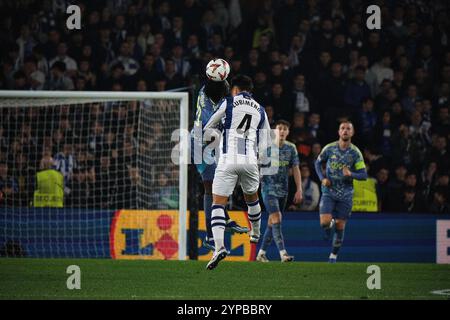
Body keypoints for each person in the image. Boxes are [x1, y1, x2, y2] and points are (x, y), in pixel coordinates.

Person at [203, 75, 272, 270]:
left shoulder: (228, 102)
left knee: (218, 202)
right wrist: (256, 157)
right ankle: (255, 234)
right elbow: (267, 141)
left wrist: (218, 136)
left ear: (235, 89)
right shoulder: (260, 109)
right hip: (250, 160)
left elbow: (208, 128)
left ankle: (219, 247)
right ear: (250, 90)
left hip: (228, 160)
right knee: (252, 198)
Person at [191, 63, 249, 253]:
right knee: (212, 189)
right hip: (201, 141)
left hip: (207, 142)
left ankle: (222, 219)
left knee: (216, 188)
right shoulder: (208, 97)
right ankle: (211, 233)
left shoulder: (214, 90)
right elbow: (210, 127)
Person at [314, 121, 368, 263]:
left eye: (348, 128)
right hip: (329, 191)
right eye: (343, 128)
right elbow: (317, 163)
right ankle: (327, 226)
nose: (345, 131)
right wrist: (322, 178)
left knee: (340, 226)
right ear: (339, 132)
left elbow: (363, 175)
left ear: (352, 132)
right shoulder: (330, 148)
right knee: (324, 222)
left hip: (346, 194)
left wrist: (351, 174)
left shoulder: (355, 153)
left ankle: (333, 256)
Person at [256, 120, 303, 263]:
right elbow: (256, 166)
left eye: (285, 129)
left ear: (288, 132)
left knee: (273, 221)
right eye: (279, 128)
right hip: (268, 189)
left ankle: (261, 253)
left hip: (284, 191)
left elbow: (295, 169)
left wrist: (299, 189)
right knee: (276, 217)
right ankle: (283, 254)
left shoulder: (291, 148)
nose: (282, 131)